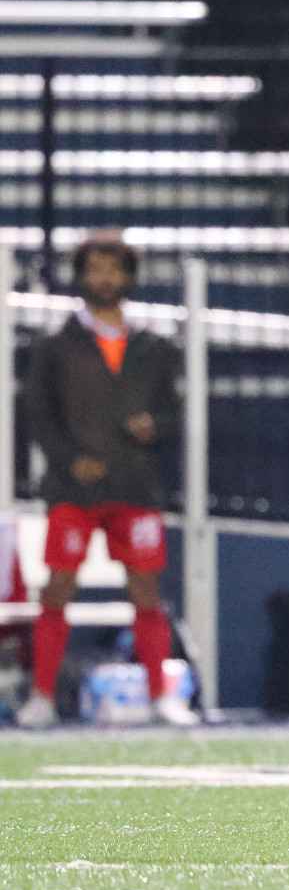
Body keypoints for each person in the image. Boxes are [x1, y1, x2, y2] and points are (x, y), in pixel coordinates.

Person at [14, 233, 199, 728]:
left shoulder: (154, 347)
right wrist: (69, 459)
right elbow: (37, 412)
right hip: (74, 490)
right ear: (81, 276)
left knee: (145, 588)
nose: (105, 279)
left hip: (134, 486)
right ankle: (42, 696)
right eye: (96, 269)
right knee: (58, 586)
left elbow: (174, 412)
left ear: (130, 278)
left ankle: (162, 693)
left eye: (114, 270)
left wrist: (153, 426)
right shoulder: (56, 347)